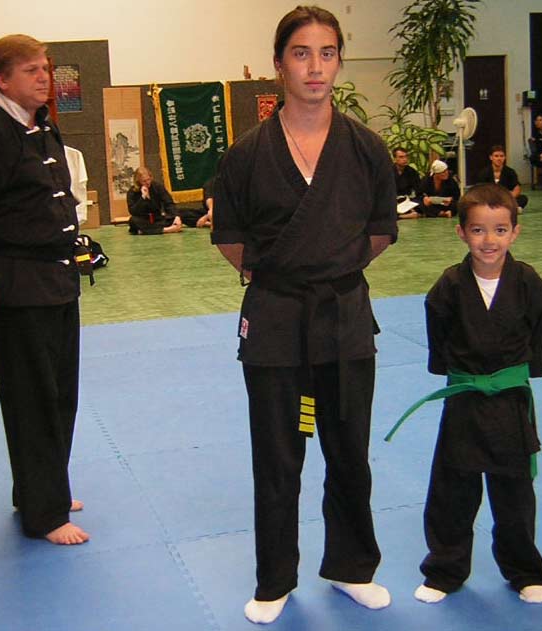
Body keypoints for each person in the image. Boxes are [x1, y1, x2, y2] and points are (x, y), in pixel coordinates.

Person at [211, 5, 397, 625]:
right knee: (277, 456)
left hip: (343, 316)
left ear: (339, 61)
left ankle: (352, 567)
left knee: (349, 451)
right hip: (275, 320)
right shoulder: (246, 155)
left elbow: (380, 231)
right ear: (278, 65)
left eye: (327, 53)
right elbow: (230, 239)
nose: (315, 67)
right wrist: (288, 274)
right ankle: (275, 579)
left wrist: (330, 268)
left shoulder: (366, 148)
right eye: (301, 53)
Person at [0, 34, 89, 545]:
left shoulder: (43, 127)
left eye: (45, 68)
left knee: (62, 396)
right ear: (0, 81)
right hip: (17, 289)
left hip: (58, 282)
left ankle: (41, 489)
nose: (44, 77)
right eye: (31, 70)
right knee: (33, 401)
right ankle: (44, 515)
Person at [391, 183, 542, 605]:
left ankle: (525, 569)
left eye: (500, 230)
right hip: (465, 397)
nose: (489, 240)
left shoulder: (529, 283)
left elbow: (538, 333)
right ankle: (444, 570)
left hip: (510, 400)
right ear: (461, 232)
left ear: (515, 232)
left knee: (515, 491)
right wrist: (453, 370)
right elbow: (439, 338)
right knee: (453, 488)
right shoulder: (449, 286)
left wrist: (528, 369)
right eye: (478, 230)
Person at [126, 166, 183, 234]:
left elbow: (168, 202)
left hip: (158, 219)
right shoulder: (132, 192)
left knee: (182, 213)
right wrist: (143, 198)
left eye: (148, 179)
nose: (147, 182)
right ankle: (166, 230)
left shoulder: (157, 186)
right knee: (133, 221)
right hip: (143, 220)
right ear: (138, 182)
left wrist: (176, 216)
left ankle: (145, 231)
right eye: (144, 181)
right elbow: (133, 211)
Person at [476, 145, 528, 211]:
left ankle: (502, 208)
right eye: (496, 156)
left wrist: (510, 196)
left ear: (504, 157)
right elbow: (480, 191)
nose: (499, 158)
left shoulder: (510, 172)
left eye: (501, 156)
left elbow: (516, 188)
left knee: (523, 198)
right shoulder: (484, 173)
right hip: (490, 199)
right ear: (491, 157)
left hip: (505, 198)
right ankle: (509, 208)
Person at [392, 147, 422, 219]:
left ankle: (408, 213)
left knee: (423, 203)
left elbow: (418, 190)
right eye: (401, 157)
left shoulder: (412, 172)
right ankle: (403, 216)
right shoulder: (388, 171)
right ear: (395, 159)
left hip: (407, 200)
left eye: (406, 156)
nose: (405, 159)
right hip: (392, 200)